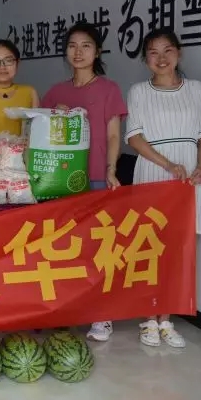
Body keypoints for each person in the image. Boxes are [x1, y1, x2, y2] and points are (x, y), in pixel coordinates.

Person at [39, 21, 127, 343]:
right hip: (61, 180)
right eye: (72, 45)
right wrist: (55, 115)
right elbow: (40, 135)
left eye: (86, 45)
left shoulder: (109, 90)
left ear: (98, 51)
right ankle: (67, 310)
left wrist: (111, 169)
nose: (78, 52)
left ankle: (101, 315)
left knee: (96, 245)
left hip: (95, 177)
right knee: (64, 246)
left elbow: (114, 135)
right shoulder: (55, 93)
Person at [125, 28, 201, 348]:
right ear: (145, 58)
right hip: (153, 171)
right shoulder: (138, 91)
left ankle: (167, 320)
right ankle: (148, 318)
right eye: (153, 52)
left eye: (167, 51)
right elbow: (134, 138)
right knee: (150, 246)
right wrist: (167, 164)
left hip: (187, 178)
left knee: (178, 249)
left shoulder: (197, 89)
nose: (161, 58)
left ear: (179, 53)